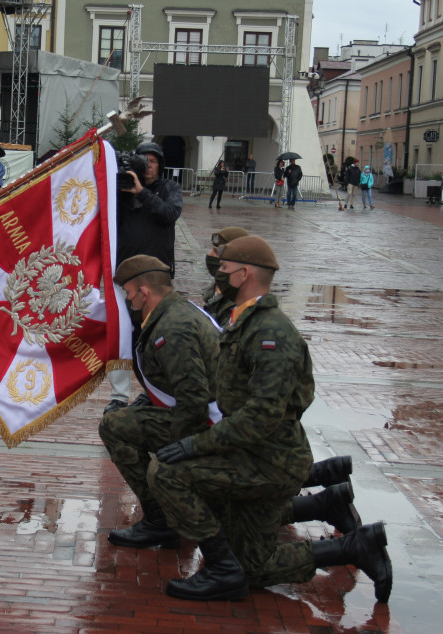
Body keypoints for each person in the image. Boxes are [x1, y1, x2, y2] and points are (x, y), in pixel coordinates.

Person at [148, 236, 392, 603]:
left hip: (268, 462)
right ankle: (356, 547)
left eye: (226, 270)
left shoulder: (271, 332)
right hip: (252, 453)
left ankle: (221, 569)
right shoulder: (245, 321)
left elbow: (263, 413)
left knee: (167, 475)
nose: (220, 275)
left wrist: (194, 445)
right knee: (255, 568)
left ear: (245, 274)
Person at [100, 255, 221, 548]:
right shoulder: (176, 310)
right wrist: (143, 404)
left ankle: (161, 519)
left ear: (144, 292)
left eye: (129, 293)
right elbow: (171, 383)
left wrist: (176, 453)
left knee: (114, 427)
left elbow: (193, 397)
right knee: (127, 419)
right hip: (210, 415)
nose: (128, 301)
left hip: (213, 425)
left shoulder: (173, 327)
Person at [105, 141, 183, 412]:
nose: (148, 165)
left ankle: (154, 392)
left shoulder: (169, 189)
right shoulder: (120, 189)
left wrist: (142, 192)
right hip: (124, 277)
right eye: (143, 160)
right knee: (122, 334)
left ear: (160, 165)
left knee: (155, 337)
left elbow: (170, 214)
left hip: (157, 278)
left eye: (153, 161)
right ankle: (118, 395)